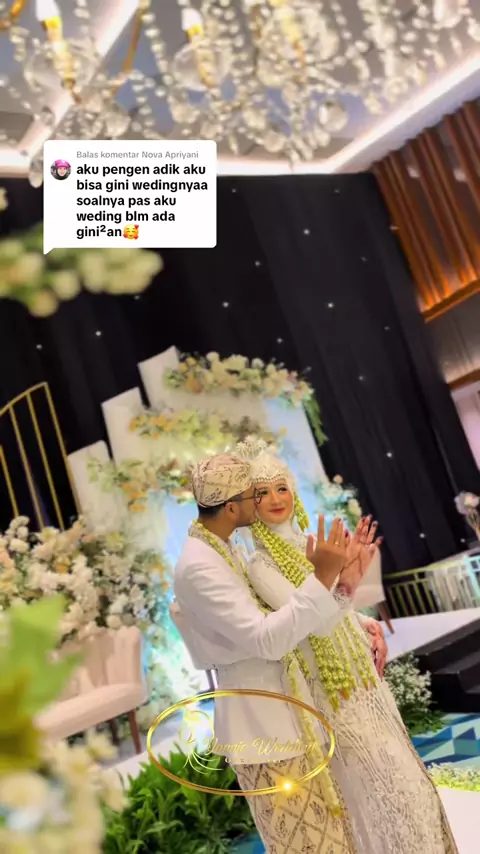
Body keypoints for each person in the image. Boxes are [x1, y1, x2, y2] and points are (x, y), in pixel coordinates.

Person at [173, 452, 458, 854]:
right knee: (315, 841)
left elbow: (299, 617)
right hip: (267, 721)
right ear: (233, 505)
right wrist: (334, 580)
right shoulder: (206, 564)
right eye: (256, 493)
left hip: (300, 708)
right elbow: (270, 636)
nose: (267, 500)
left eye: (279, 488)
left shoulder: (224, 547)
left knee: (355, 824)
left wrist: (355, 616)